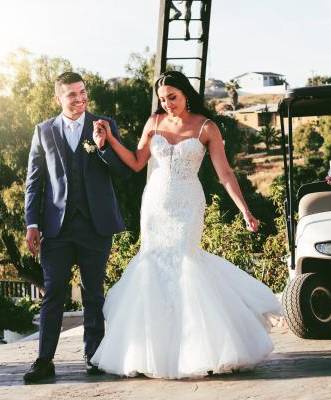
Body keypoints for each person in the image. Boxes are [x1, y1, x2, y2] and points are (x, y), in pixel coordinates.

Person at [89, 70, 283, 379]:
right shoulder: (153, 123)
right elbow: (138, 162)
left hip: (187, 204)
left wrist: (245, 210)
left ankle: (197, 351)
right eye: (163, 99)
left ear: (186, 94)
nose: (167, 104)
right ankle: (156, 353)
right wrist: (110, 139)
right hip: (154, 205)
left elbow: (226, 174)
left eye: (173, 98)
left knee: (185, 263)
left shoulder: (207, 127)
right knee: (153, 266)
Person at [23, 72, 132, 383]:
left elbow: (123, 170)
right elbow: (34, 183)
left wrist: (103, 146)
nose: (80, 98)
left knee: (93, 294)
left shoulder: (103, 124)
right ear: (58, 98)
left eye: (82, 92)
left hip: (96, 226)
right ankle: (44, 361)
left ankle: (94, 357)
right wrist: (32, 223)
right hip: (55, 229)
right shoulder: (43, 131)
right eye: (72, 94)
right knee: (53, 292)